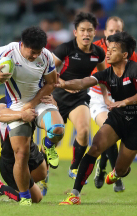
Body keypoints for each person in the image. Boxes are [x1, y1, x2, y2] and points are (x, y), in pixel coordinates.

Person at [56, 31, 137, 205]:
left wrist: (125, 101)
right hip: (117, 118)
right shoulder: (106, 73)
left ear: (124, 55)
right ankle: (75, 194)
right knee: (94, 148)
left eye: (113, 50)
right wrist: (63, 83)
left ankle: (115, 174)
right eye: (108, 49)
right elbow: (82, 82)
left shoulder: (135, 69)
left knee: (122, 170)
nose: (107, 52)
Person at [0, 26, 64, 205]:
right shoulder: (7, 52)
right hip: (17, 107)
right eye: (32, 52)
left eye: (38, 52)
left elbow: (51, 82)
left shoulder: (45, 56)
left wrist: (33, 104)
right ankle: (23, 197)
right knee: (20, 153)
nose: (35, 56)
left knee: (57, 129)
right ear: (22, 45)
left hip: (39, 102)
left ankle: (49, 146)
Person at [52, 12, 105, 182]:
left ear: (94, 32)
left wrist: (107, 97)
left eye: (90, 30)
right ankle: (42, 175)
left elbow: (103, 76)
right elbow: (48, 72)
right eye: (82, 30)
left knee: (83, 130)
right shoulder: (65, 48)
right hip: (58, 97)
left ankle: (74, 168)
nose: (86, 34)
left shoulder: (98, 53)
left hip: (79, 98)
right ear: (75, 32)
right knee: (54, 137)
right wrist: (63, 83)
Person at [89, 16, 137, 192]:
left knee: (113, 136)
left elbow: (135, 76)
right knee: (107, 127)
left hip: (119, 98)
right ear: (105, 32)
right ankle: (117, 177)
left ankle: (102, 166)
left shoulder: (129, 51)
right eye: (111, 31)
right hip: (97, 97)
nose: (114, 34)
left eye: (118, 31)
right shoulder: (95, 49)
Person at [0, 97, 47, 203]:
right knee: (36, 198)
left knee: (42, 173)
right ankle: (2, 188)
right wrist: (22, 115)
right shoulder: (5, 102)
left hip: (30, 150)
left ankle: (21, 185)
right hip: (11, 159)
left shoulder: (33, 98)